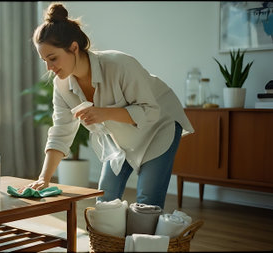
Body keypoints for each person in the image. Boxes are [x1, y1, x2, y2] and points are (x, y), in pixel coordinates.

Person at [22, 3, 194, 209]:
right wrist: (44, 178)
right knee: (104, 204)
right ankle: (107, 243)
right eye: (44, 60)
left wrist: (104, 113)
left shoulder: (120, 65)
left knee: (147, 205)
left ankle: (143, 241)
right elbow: (61, 131)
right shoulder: (62, 86)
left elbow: (151, 111)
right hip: (118, 140)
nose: (49, 68)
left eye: (53, 58)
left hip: (158, 128)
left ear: (74, 48)